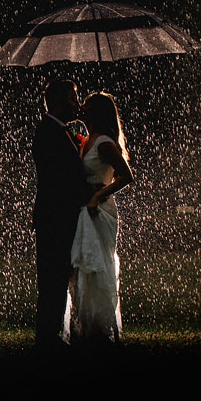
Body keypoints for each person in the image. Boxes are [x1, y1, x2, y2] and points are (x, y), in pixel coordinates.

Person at [65, 92, 133, 345]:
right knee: (83, 264)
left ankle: (101, 329)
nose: (81, 107)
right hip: (86, 208)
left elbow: (126, 176)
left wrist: (99, 195)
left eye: (87, 105)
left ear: (97, 113)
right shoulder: (86, 140)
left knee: (98, 265)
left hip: (99, 209)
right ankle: (86, 325)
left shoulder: (104, 142)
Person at [31, 80, 94, 351]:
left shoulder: (61, 131)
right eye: (71, 99)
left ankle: (50, 335)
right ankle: (46, 338)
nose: (76, 104)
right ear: (57, 102)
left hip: (61, 217)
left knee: (58, 276)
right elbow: (61, 178)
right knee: (52, 278)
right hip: (54, 218)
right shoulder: (47, 132)